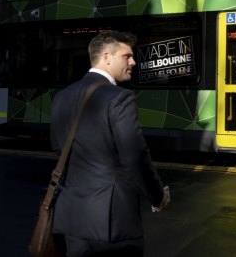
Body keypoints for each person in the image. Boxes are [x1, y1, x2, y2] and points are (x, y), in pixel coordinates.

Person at [50, 30, 170, 257]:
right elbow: (135, 155)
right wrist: (156, 195)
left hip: (72, 218)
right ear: (106, 57)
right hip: (112, 222)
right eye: (127, 56)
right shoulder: (119, 97)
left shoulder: (62, 96)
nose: (133, 62)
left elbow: (57, 147)